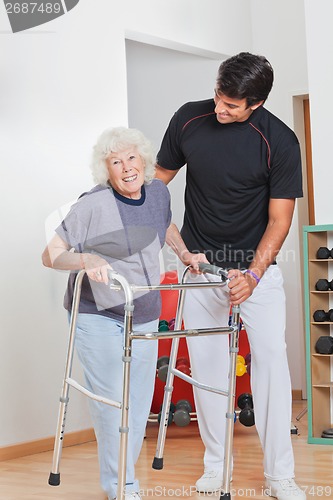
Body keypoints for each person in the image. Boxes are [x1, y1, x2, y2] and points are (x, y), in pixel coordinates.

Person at [156, 52, 306, 500]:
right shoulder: (188, 119)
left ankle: (280, 475)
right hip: (200, 270)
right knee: (207, 370)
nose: (220, 109)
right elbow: (152, 190)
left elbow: (280, 221)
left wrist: (254, 275)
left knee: (271, 365)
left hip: (257, 271)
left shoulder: (279, 140)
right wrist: (181, 250)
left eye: (232, 105)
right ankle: (216, 466)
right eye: (219, 96)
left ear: (255, 103)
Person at [42, 127, 190, 500]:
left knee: (138, 403)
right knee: (112, 402)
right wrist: (86, 258)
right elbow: (51, 254)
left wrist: (186, 255)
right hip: (98, 313)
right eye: (115, 161)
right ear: (106, 170)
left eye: (131, 158)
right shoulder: (94, 203)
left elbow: (166, 224)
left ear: (144, 161)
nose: (126, 167)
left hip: (142, 309)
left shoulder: (158, 191)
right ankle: (121, 487)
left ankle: (124, 479)